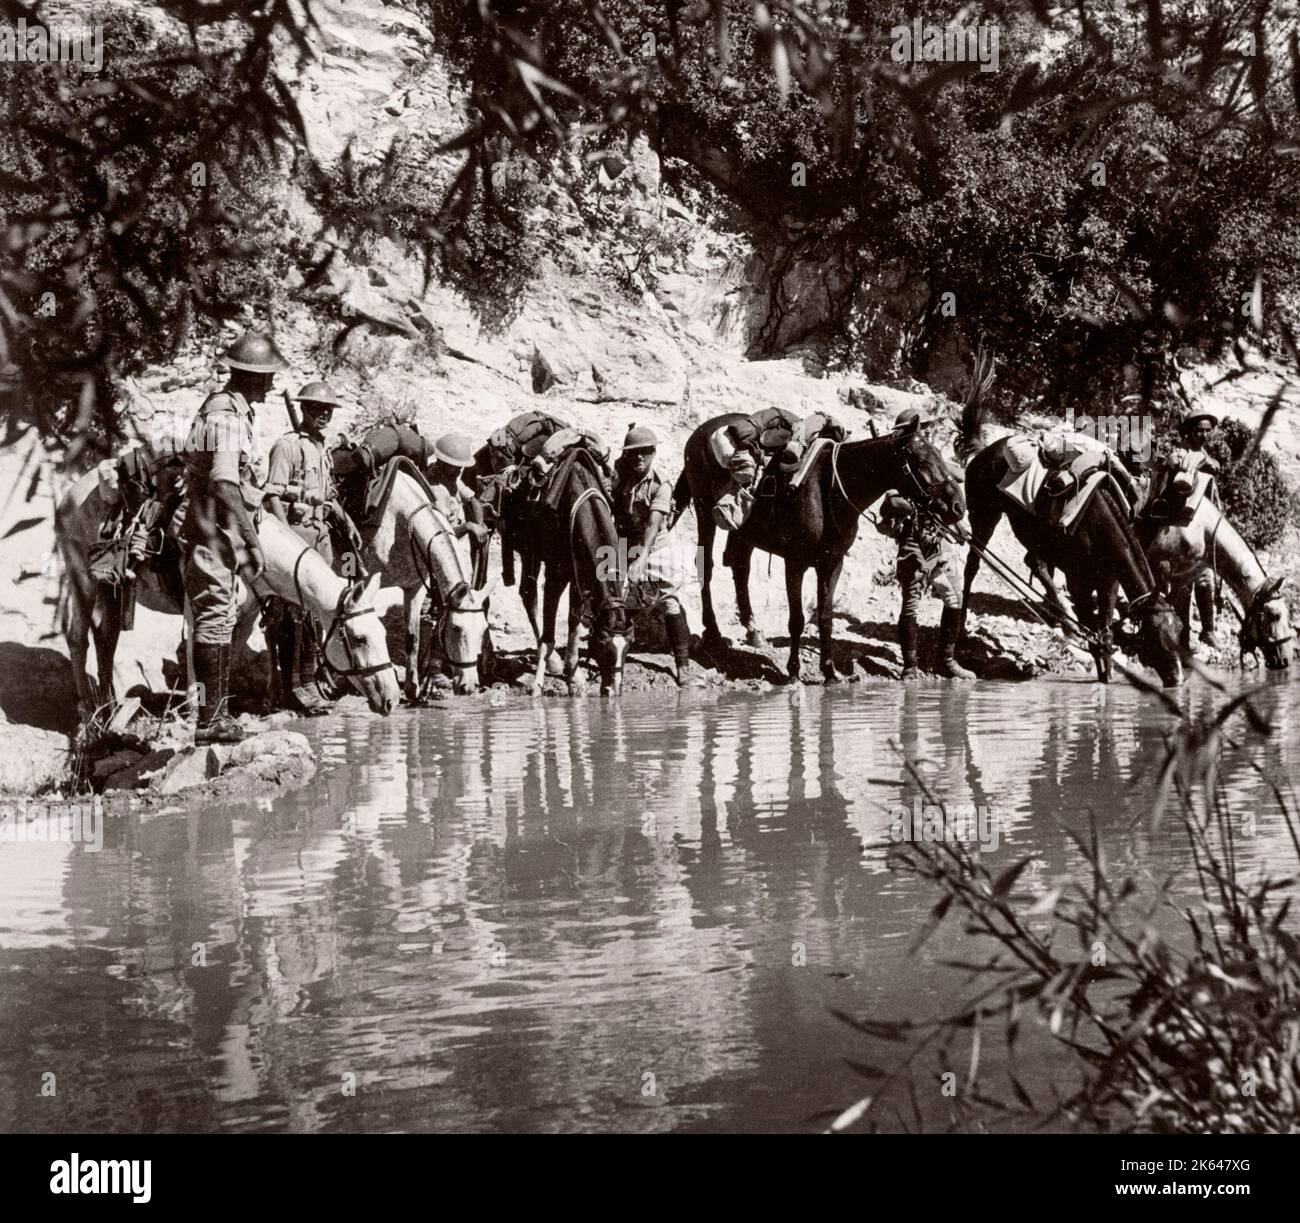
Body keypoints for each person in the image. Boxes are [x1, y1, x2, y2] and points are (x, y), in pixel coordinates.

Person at [180, 330, 286, 743]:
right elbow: (225, 483)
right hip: (213, 535)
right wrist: (252, 541)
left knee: (221, 620)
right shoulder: (226, 417)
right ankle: (209, 721)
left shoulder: (228, 409)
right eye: (268, 376)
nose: (272, 384)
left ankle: (217, 716)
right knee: (213, 621)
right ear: (253, 377)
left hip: (215, 531)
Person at [264, 381, 346, 715]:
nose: (322, 414)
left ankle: (311, 680)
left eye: (327, 409)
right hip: (296, 535)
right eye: (315, 408)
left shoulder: (319, 447)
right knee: (291, 615)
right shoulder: (287, 446)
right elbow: (271, 494)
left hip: (319, 534)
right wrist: (285, 536)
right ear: (303, 410)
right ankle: (292, 686)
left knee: (316, 612)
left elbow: (326, 495)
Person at [878, 409, 972, 680]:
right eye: (920, 431)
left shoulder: (930, 462)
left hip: (936, 543)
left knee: (953, 599)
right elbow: (891, 503)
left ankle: (948, 661)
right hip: (912, 544)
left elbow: (957, 477)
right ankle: (909, 666)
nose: (925, 435)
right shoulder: (901, 468)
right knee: (911, 604)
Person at [613, 424, 700, 688]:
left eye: (646, 452)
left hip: (656, 546)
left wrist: (640, 559)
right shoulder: (621, 476)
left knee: (670, 600)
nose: (640, 457)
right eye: (634, 453)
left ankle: (682, 666)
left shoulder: (661, 485)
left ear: (653, 453)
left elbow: (653, 524)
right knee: (613, 596)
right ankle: (613, 661)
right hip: (624, 543)